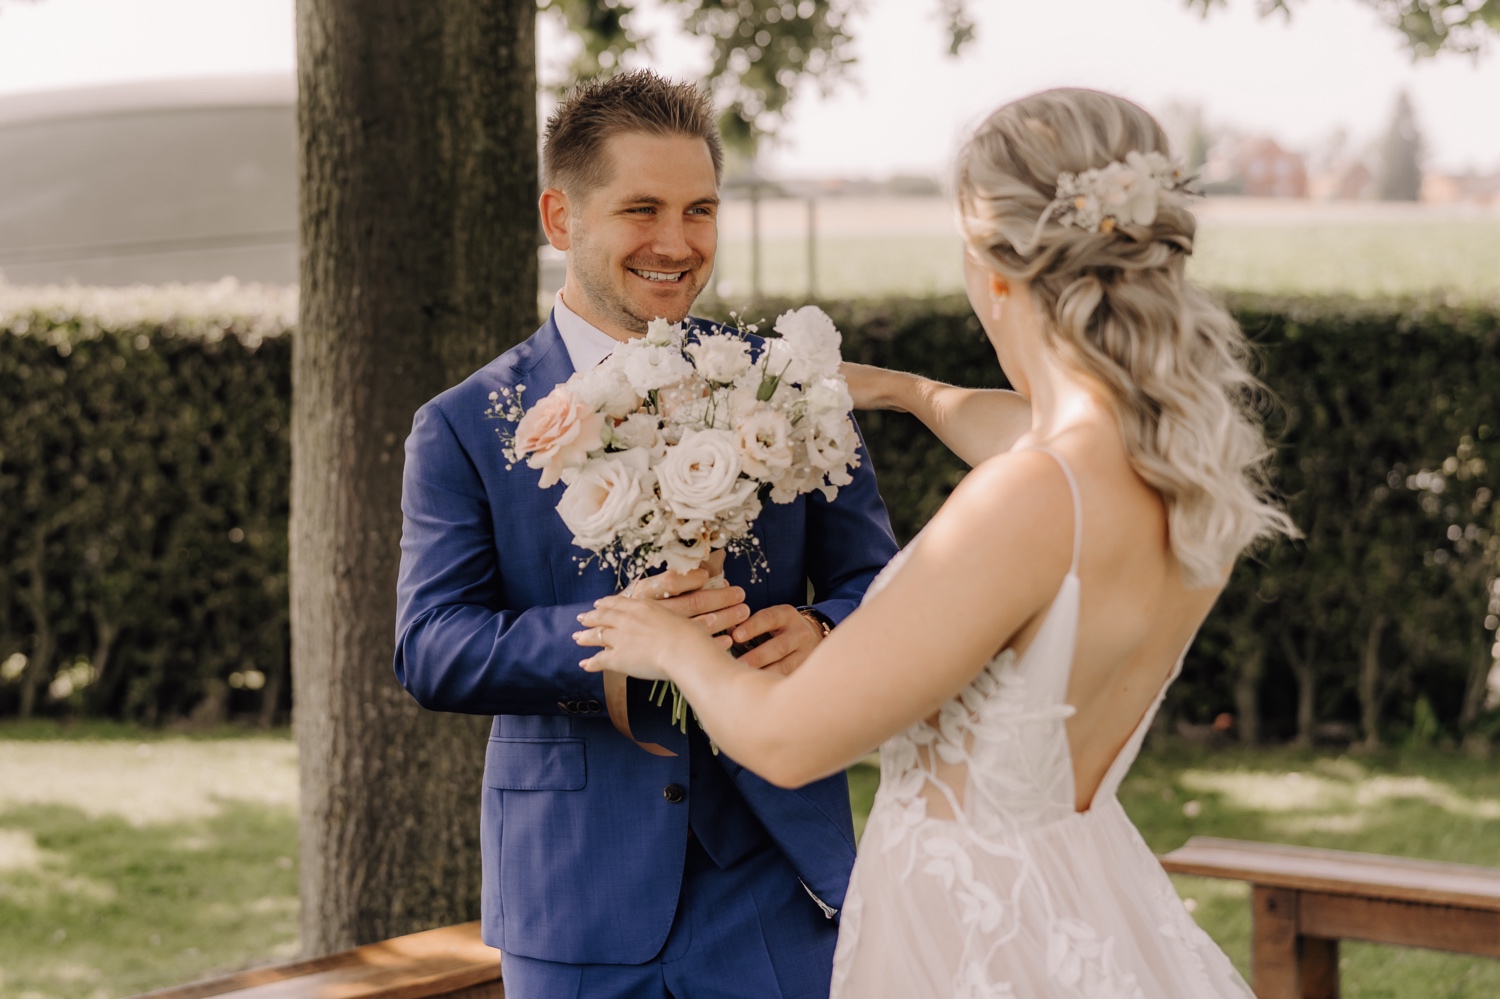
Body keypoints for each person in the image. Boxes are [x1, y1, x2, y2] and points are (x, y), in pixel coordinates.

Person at [575, 87, 1296, 998]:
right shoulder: (1180, 473)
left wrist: (672, 644)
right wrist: (909, 391)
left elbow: (789, 742)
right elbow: (1030, 427)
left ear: (993, 270)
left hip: (974, 937)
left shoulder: (1030, 499)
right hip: (1086, 895)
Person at [393, 70, 899, 999]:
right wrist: (620, 638)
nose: (677, 243)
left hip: (777, 880)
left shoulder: (789, 390)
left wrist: (826, 629)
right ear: (562, 218)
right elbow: (431, 647)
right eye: (642, 209)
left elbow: (886, 585)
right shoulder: (467, 424)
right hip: (573, 889)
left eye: (700, 209)